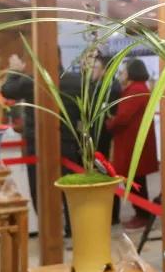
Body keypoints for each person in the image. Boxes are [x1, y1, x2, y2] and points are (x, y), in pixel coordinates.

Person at [60, 49, 122, 229]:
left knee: (107, 174)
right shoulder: (93, 86)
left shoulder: (110, 87)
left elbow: (108, 114)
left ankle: (111, 215)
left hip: (103, 140)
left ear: (104, 69)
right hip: (92, 140)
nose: (90, 70)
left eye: (94, 67)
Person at [105, 58, 159, 230]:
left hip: (133, 144)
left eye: (124, 71)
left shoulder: (135, 90)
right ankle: (142, 213)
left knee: (135, 180)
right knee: (136, 178)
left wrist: (108, 123)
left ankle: (143, 215)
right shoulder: (139, 88)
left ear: (131, 72)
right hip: (134, 142)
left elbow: (122, 118)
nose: (122, 74)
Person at [1, 53, 38, 210]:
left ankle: (44, 220)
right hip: (65, 145)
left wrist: (14, 71)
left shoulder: (32, 81)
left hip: (36, 143)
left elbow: (7, 90)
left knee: (38, 190)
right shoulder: (69, 78)